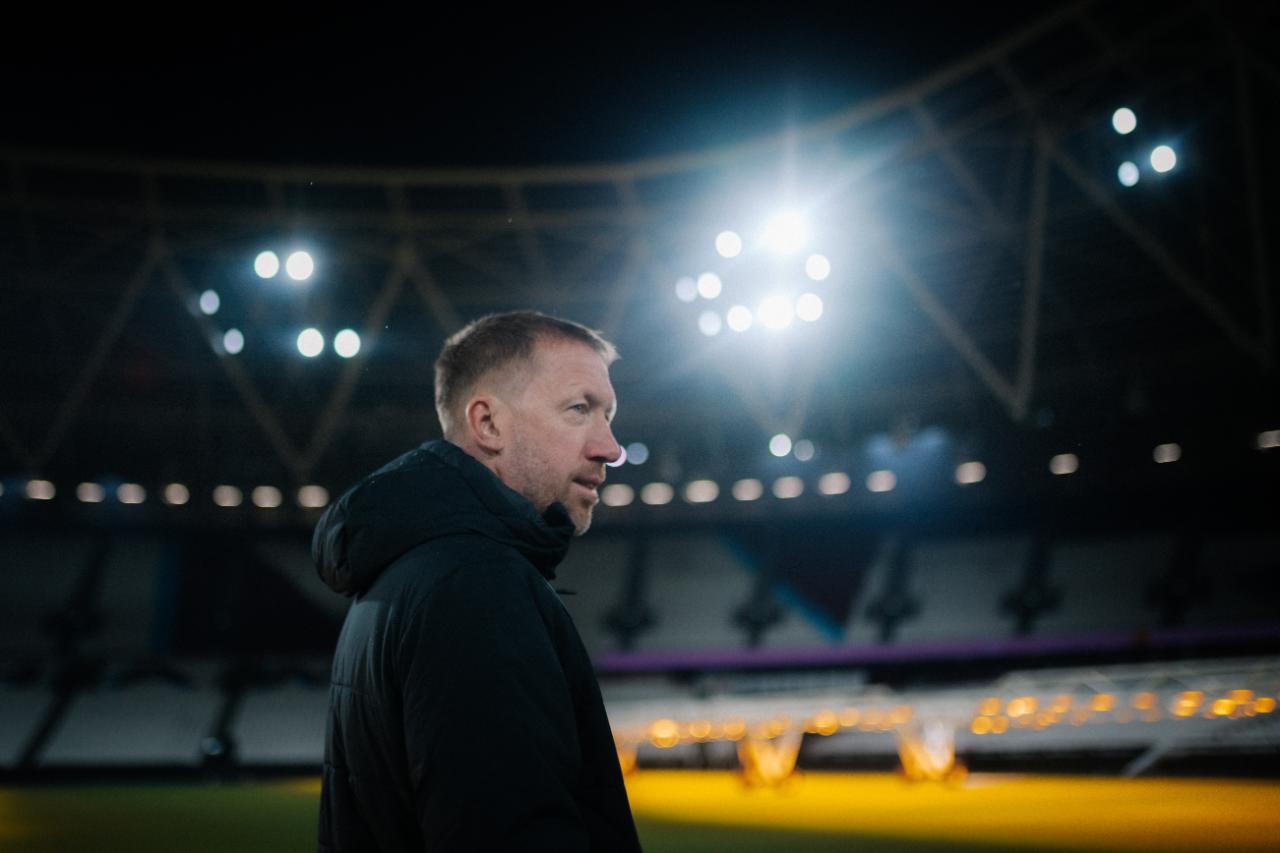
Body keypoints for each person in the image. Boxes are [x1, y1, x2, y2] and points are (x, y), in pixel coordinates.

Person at [313, 311, 642, 852]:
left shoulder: (403, 570)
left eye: (608, 416)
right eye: (579, 409)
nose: (610, 448)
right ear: (488, 424)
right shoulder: (476, 586)